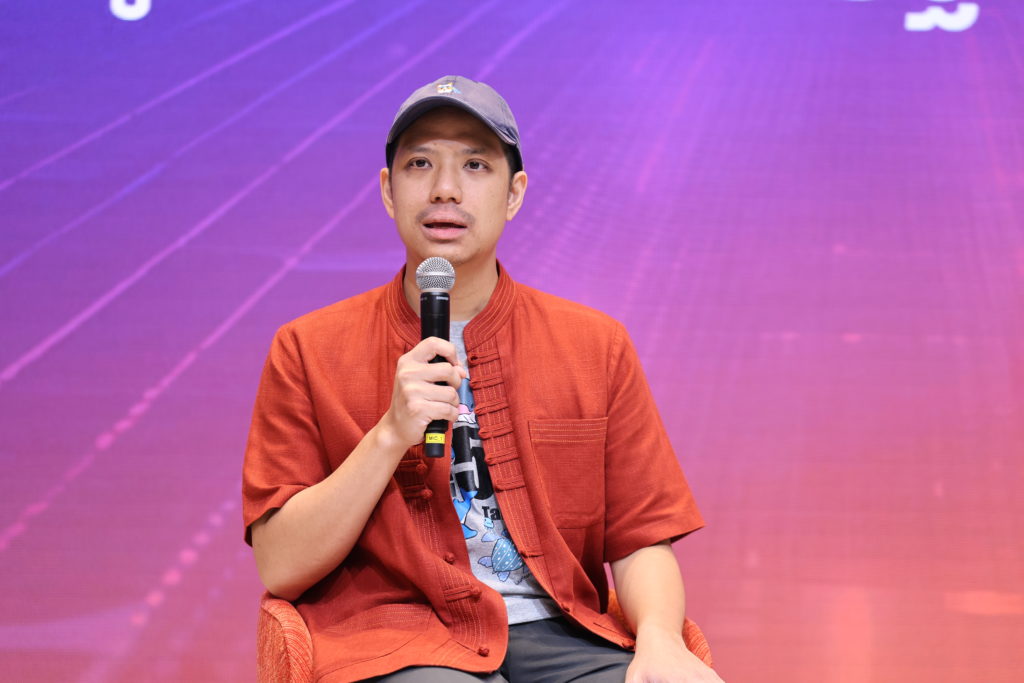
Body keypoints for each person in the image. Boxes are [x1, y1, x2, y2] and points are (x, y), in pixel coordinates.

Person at [242, 75, 723, 683]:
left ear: (514, 193)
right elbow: (281, 566)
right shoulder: (308, 348)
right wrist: (389, 435)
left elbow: (639, 537)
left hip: (562, 633)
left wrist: (659, 640)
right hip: (397, 641)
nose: (445, 189)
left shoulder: (595, 345)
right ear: (388, 191)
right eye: (420, 164)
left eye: (474, 165)